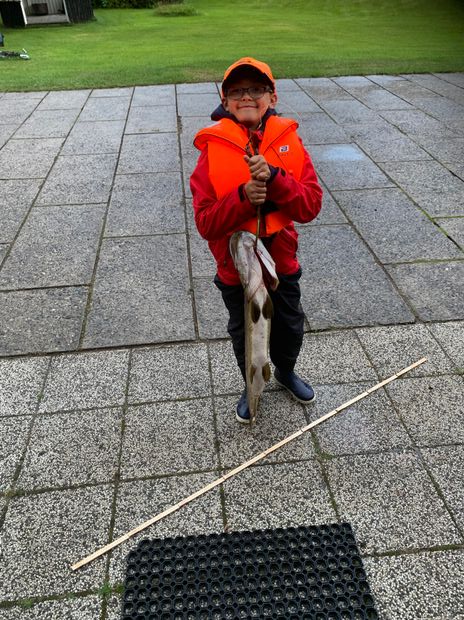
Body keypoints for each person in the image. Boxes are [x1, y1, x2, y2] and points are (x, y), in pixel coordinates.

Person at [190, 57, 323, 423]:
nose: (246, 96)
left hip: (282, 263)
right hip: (236, 270)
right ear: (225, 100)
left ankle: (286, 371)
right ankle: (251, 384)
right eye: (237, 91)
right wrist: (244, 198)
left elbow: (311, 205)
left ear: (272, 96)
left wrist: (276, 179)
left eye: (256, 89)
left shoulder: (289, 141)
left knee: (290, 326)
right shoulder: (212, 151)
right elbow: (205, 223)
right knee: (245, 333)